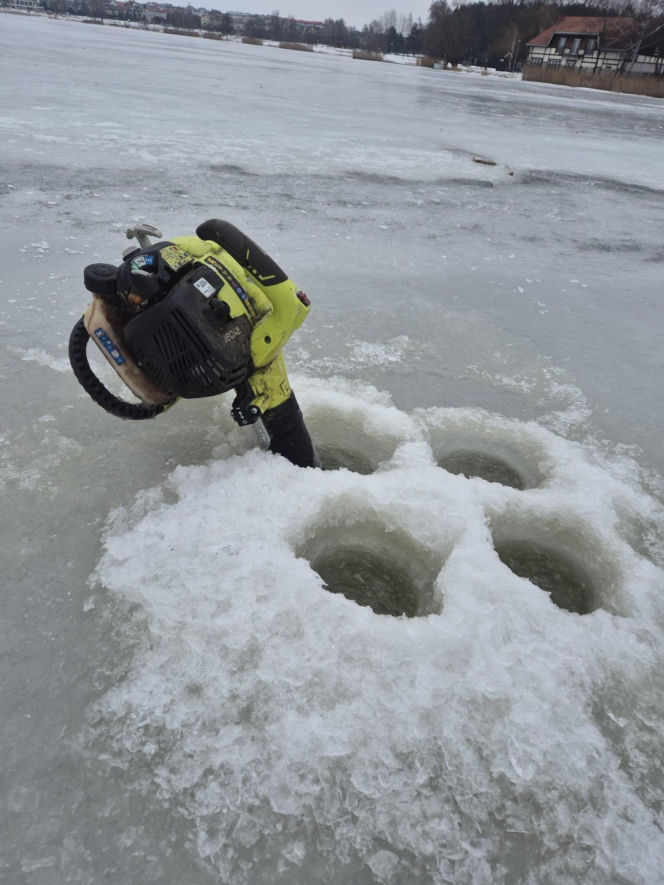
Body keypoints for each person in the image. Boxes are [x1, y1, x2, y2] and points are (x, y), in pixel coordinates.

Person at [70, 219, 319, 468]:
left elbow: (294, 307)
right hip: (236, 335)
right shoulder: (185, 254)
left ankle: (302, 470)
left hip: (254, 339)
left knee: (291, 446)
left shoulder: (200, 252)